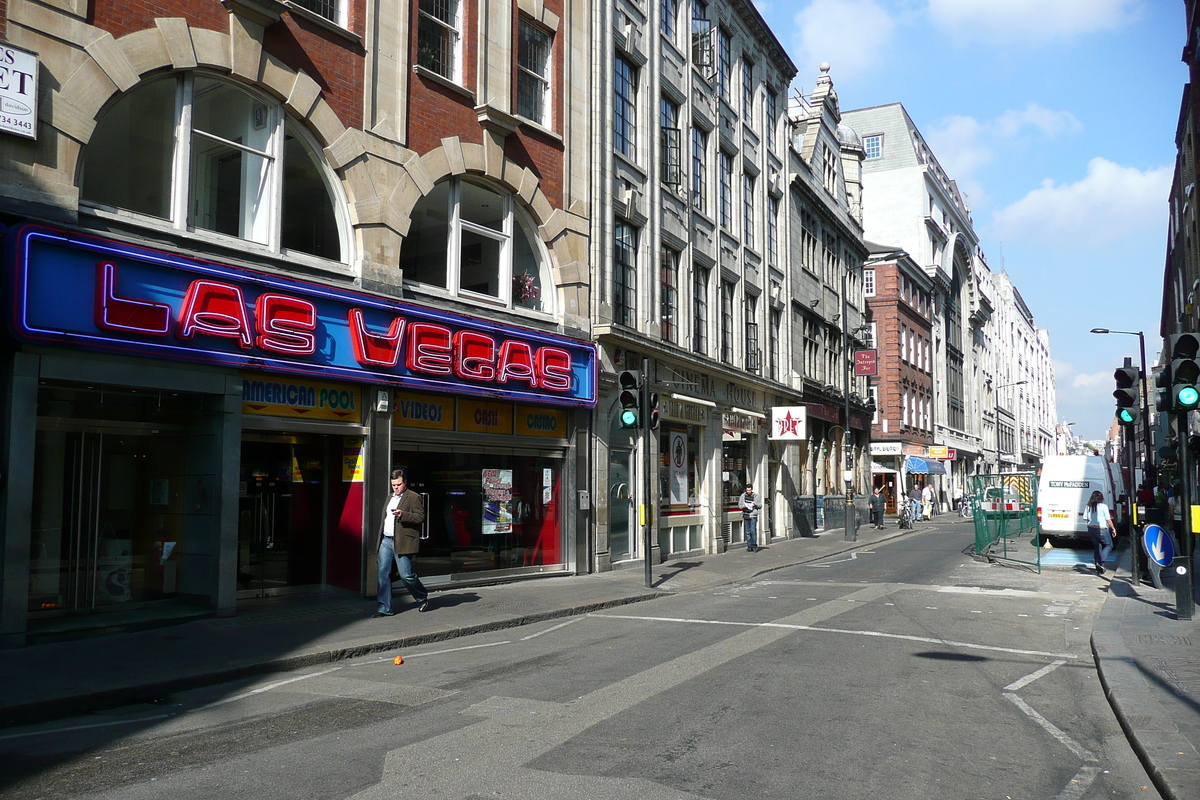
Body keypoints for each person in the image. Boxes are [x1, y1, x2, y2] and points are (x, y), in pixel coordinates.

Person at [375, 468, 430, 616]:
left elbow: (420, 517)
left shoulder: (413, 497)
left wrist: (403, 515)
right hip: (386, 540)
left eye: (398, 485)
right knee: (382, 574)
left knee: (406, 575)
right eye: (393, 485)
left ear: (405, 482)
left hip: (403, 541)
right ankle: (384, 608)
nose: (396, 488)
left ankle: (421, 596)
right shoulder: (389, 497)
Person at [1084, 489, 1116, 576]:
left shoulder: (1088, 506)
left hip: (1091, 529)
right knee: (1109, 545)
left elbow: (1085, 518)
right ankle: (1100, 561)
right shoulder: (1103, 506)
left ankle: (1099, 568)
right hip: (1101, 529)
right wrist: (1113, 528)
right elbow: (1108, 519)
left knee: (1097, 547)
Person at [740, 483, 762, 552]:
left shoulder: (756, 496)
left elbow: (760, 505)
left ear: (752, 490)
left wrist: (756, 504)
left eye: (749, 490)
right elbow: (740, 505)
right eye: (747, 490)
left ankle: (754, 545)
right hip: (746, 514)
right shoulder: (743, 496)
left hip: (753, 516)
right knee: (747, 532)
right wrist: (743, 506)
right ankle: (749, 545)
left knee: (753, 531)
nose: (748, 492)